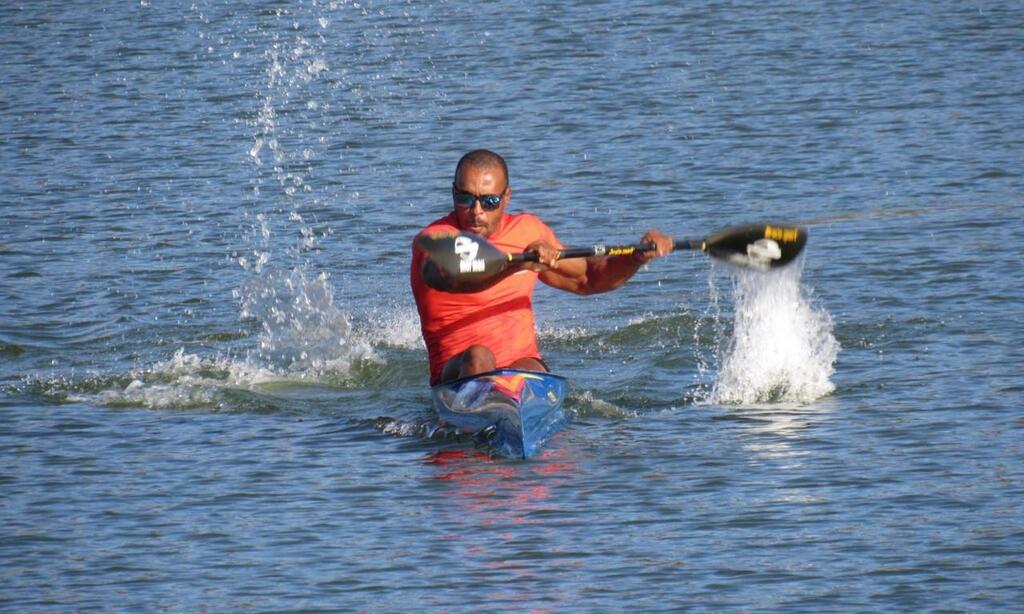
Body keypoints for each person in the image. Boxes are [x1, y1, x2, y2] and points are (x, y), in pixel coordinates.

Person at [410, 149, 673, 385]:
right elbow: (448, 278)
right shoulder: (437, 239)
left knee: (529, 367)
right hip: (458, 374)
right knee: (479, 357)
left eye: (489, 202)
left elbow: (589, 278)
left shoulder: (527, 230)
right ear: (453, 193)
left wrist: (636, 257)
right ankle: (482, 412)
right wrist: (517, 265)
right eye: (465, 199)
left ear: (506, 197)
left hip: (519, 370)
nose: (476, 211)